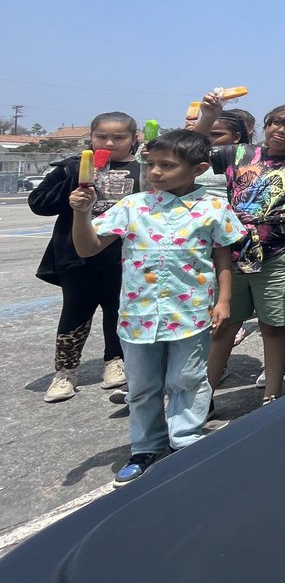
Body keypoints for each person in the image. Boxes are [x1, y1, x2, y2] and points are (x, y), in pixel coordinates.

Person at [69, 129, 246, 485]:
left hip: (191, 312)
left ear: (198, 168)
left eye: (167, 165)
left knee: (187, 379)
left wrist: (224, 300)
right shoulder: (133, 206)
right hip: (139, 314)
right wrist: (82, 215)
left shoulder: (213, 208)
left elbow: (223, 255)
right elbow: (87, 248)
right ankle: (146, 446)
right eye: (151, 164)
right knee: (142, 385)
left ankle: (186, 441)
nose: (155, 173)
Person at [196, 98, 285, 405]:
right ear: (266, 125)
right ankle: (202, 399)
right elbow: (189, 149)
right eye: (276, 122)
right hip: (233, 254)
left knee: (274, 327)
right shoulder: (237, 152)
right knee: (224, 325)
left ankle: (272, 396)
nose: (281, 130)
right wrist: (207, 116)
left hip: (279, 255)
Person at [31, 112, 142, 403]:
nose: (109, 142)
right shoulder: (71, 168)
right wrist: (74, 184)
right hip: (75, 255)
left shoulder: (142, 170)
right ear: (90, 138)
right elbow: (38, 204)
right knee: (75, 310)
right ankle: (65, 371)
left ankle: (115, 360)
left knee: (118, 310)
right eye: (101, 136)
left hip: (124, 256)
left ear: (134, 139)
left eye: (119, 137)